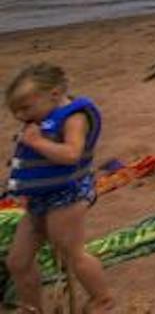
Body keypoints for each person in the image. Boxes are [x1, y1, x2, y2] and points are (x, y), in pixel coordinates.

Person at [6, 64, 115, 312]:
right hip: (40, 199)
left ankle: (102, 298)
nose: (22, 116)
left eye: (26, 108)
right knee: (18, 261)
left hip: (68, 195)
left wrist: (35, 141)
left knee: (71, 253)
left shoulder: (74, 118)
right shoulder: (42, 118)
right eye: (17, 112)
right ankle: (31, 307)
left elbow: (71, 154)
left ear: (54, 94)